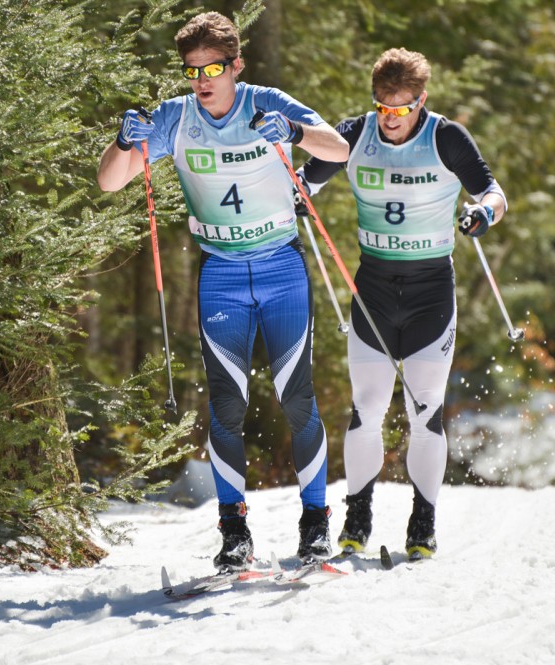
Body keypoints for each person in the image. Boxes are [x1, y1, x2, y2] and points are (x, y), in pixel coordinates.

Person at [97, 12, 349, 569]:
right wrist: (122, 141)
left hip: (281, 267)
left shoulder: (267, 102)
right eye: (192, 70)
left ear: (237, 65)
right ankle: (234, 534)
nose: (203, 79)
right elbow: (110, 180)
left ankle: (314, 527)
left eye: (213, 67)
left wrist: (295, 132)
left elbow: (339, 150)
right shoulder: (175, 117)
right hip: (222, 275)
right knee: (225, 406)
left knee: (298, 398)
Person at [297, 47, 508, 561]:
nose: (391, 119)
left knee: (425, 410)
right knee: (367, 409)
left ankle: (423, 521)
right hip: (372, 289)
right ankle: (357, 515)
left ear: (421, 100)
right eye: (383, 108)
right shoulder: (352, 136)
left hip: (430, 290)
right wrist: (296, 193)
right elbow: (301, 184)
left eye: (402, 108)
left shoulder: (446, 137)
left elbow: (495, 194)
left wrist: (482, 213)